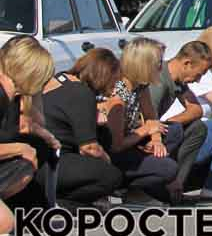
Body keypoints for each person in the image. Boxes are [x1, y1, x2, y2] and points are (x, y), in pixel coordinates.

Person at [149, 41, 212, 201]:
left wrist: (169, 123)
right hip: (154, 143)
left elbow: (195, 110)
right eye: (199, 74)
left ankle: (178, 185)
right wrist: (158, 133)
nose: (198, 80)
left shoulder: (178, 81)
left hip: (167, 136)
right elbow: (147, 119)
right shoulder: (159, 81)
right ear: (187, 63)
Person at [40, 49, 123, 211]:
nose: (115, 86)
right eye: (115, 79)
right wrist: (109, 163)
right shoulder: (82, 93)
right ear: (104, 74)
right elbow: (89, 148)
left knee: (103, 133)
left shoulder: (61, 79)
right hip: (54, 162)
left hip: (41, 158)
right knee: (112, 177)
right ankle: (67, 201)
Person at [103, 38, 183, 205]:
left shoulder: (140, 86)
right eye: (158, 63)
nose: (162, 67)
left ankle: (140, 189)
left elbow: (151, 117)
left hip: (131, 140)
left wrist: (156, 140)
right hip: (113, 152)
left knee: (173, 130)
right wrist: (145, 131)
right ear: (144, 65)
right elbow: (115, 144)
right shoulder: (120, 90)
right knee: (169, 169)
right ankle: (127, 188)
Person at [0, 37, 56, 220]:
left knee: (36, 149)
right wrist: (21, 149)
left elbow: (34, 121)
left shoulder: (12, 96)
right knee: (6, 223)